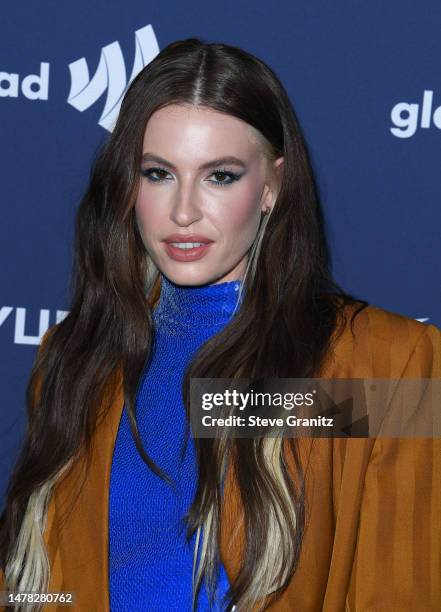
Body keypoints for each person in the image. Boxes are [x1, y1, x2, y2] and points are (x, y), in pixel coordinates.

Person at [0, 37, 440, 612]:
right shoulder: (78, 356)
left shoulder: (387, 364)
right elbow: (37, 589)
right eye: (158, 173)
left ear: (272, 187)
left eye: (221, 176)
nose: (183, 211)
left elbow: (401, 592)